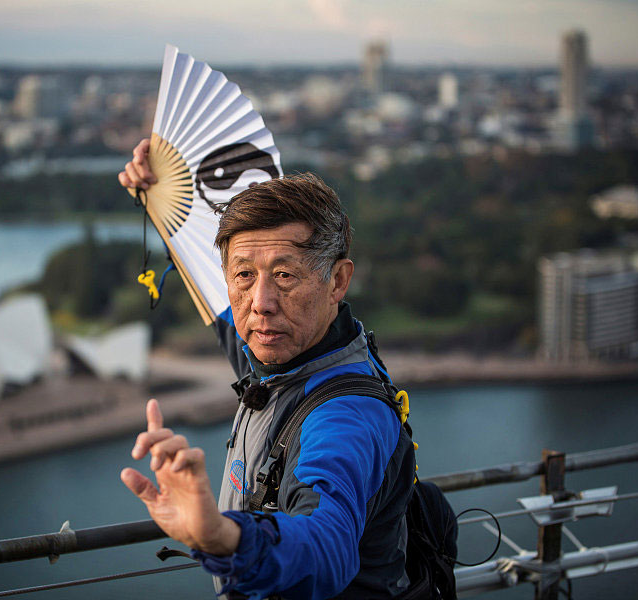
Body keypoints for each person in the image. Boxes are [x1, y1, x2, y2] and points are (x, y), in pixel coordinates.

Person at [118, 141, 417, 599]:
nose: (260, 303)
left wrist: (223, 537)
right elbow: (212, 294)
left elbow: (326, 544)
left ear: (337, 280)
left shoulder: (346, 415)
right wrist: (160, 199)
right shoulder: (276, 358)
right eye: (243, 275)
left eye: (284, 275)